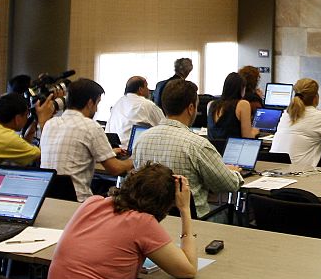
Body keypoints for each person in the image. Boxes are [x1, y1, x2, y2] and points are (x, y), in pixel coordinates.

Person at [47, 163, 194, 279]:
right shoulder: (143, 222)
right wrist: (185, 210)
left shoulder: (91, 203)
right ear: (164, 205)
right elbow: (187, 269)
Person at [133, 79, 242, 216]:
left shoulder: (141, 140)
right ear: (191, 108)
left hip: (153, 220)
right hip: (193, 222)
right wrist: (234, 173)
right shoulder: (197, 145)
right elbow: (229, 185)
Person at [40, 79, 133, 201]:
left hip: (47, 198)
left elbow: (72, 158)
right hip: (78, 202)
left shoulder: (49, 124)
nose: (96, 110)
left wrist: (107, 153)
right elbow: (115, 169)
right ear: (90, 103)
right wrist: (134, 159)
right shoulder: (91, 126)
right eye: (97, 104)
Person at [105, 76, 164, 147]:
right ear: (140, 89)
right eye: (147, 86)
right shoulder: (146, 104)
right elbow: (164, 126)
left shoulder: (118, 103)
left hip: (116, 150)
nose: (149, 90)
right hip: (134, 151)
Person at [207, 72, 258, 140]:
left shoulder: (210, 104)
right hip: (232, 148)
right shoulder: (243, 104)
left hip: (213, 149)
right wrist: (254, 131)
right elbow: (247, 137)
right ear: (242, 89)